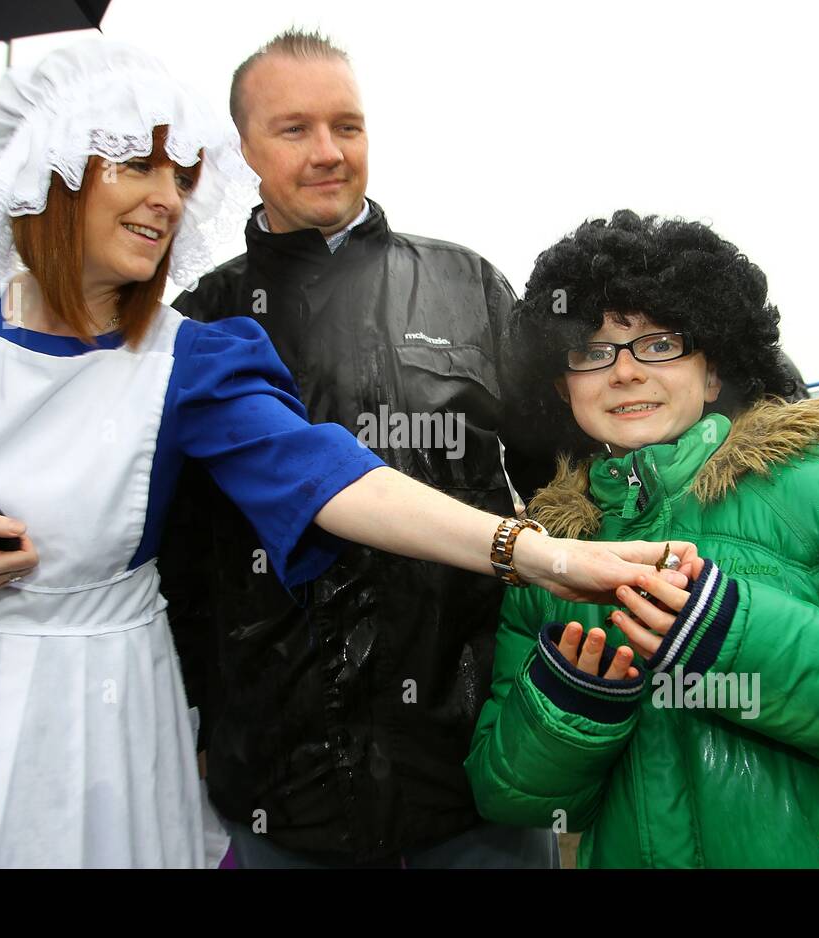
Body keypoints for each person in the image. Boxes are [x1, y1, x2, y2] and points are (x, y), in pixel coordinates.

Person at [0, 43, 694, 869]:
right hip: (6, 723)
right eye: (135, 164)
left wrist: (552, 556)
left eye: (178, 172)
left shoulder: (202, 354)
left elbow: (332, 476)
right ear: (48, 170)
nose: (164, 195)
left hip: (194, 730)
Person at [464, 210, 819, 868]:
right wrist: (567, 711)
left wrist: (738, 640)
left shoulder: (818, 498)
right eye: (592, 352)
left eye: (659, 342)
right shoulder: (553, 559)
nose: (623, 371)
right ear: (563, 388)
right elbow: (512, 798)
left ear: (714, 372)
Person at [158, 29, 545, 867]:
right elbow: (179, 561)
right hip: (282, 784)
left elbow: (565, 490)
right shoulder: (199, 319)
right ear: (242, 150)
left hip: (477, 771)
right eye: (294, 129)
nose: (329, 152)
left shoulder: (469, 284)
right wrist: (202, 717)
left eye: (349, 125)